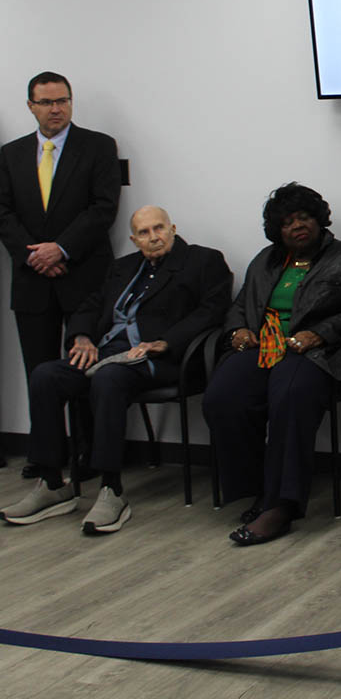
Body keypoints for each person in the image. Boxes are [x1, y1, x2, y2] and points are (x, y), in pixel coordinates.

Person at [0, 206, 232, 534]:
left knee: (109, 378)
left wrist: (164, 342)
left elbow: (212, 310)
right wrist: (81, 336)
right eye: (145, 233)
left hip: (160, 359)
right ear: (134, 239)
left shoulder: (203, 261)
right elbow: (91, 304)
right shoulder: (122, 267)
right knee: (46, 375)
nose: (154, 237)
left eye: (159, 228)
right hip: (108, 353)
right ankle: (52, 483)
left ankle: (112, 490)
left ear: (173, 228)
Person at [204, 184, 341, 546]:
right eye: (287, 222)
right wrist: (236, 330)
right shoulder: (265, 261)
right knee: (223, 397)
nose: (297, 226)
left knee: (289, 395)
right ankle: (258, 490)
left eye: (303, 217)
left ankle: (280, 506)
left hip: (316, 355)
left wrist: (321, 332)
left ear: (318, 219)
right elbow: (240, 305)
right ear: (277, 231)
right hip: (263, 349)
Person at [0, 72, 121, 476]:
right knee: (38, 370)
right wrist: (35, 254)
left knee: (84, 364)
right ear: (31, 105)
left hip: (83, 275)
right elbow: (4, 213)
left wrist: (61, 248)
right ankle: (46, 454)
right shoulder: (10, 154)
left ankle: (88, 452)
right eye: (47, 102)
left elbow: (103, 208)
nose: (57, 109)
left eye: (63, 100)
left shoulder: (98, 147)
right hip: (32, 278)